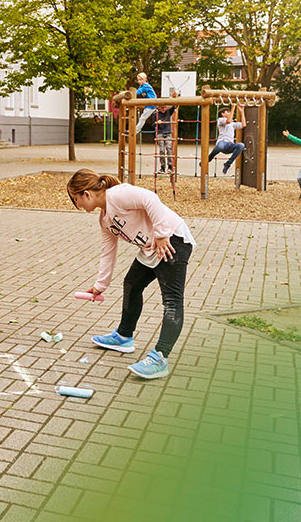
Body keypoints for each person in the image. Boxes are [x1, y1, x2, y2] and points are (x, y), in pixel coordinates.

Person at [67, 169, 196, 379]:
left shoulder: (117, 195)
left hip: (173, 240)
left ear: (86, 194)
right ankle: (124, 337)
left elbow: (150, 199)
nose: (78, 205)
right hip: (150, 248)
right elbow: (108, 252)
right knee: (132, 285)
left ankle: (160, 358)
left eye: (76, 199)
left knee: (172, 300)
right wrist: (100, 285)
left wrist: (162, 234)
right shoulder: (105, 219)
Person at [208, 104, 246, 174]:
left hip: (230, 145)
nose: (230, 113)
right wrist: (233, 107)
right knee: (220, 146)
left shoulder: (232, 124)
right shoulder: (220, 120)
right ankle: (209, 158)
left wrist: (242, 112)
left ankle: (228, 164)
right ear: (223, 114)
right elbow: (228, 121)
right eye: (227, 112)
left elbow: (243, 125)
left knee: (241, 145)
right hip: (222, 143)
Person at [155, 89, 179, 173]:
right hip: (160, 133)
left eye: (165, 107)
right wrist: (157, 122)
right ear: (158, 107)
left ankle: (170, 166)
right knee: (161, 150)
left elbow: (176, 105)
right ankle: (162, 167)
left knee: (169, 148)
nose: (164, 109)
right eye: (162, 107)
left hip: (168, 133)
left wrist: (175, 97)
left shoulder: (168, 111)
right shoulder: (156, 114)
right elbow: (152, 125)